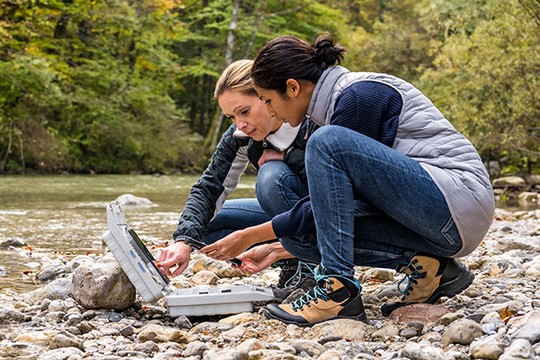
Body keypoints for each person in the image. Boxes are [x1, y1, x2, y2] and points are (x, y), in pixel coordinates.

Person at [202, 34, 495, 326]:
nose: (269, 111)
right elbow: (335, 208)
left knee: (326, 143)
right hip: (439, 220)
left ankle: (337, 291)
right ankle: (434, 270)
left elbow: (333, 205)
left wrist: (253, 235)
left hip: (455, 205)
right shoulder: (331, 106)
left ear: (292, 88)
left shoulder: (357, 96)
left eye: (267, 100)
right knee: (302, 238)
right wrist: (281, 244)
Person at [156, 60, 318, 294]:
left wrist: (287, 155)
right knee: (204, 226)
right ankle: (292, 261)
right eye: (231, 117)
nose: (240, 124)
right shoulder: (241, 134)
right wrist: (183, 242)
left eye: (244, 111)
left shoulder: (311, 120)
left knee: (271, 176)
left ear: (266, 95)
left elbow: (335, 189)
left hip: (327, 215)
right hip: (286, 218)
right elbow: (209, 188)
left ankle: (313, 265)